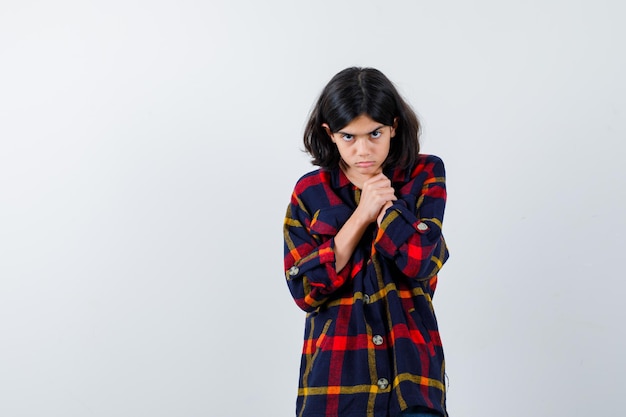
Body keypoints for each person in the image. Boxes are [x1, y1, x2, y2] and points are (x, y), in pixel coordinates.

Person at [283, 67, 450, 417]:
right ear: (330, 134)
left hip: (411, 381)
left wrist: (387, 206)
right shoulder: (309, 192)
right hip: (334, 384)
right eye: (349, 137)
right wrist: (361, 215)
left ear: (393, 126)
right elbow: (306, 290)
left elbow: (422, 263)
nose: (363, 150)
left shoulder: (425, 174)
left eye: (375, 133)